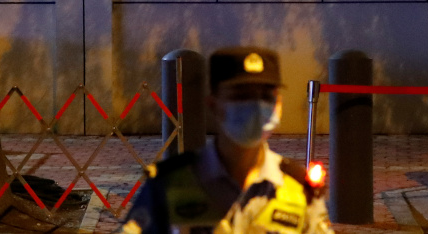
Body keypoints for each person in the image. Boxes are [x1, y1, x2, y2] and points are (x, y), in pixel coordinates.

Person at [119, 46, 331, 234]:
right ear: (213, 105)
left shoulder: (299, 189)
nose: (255, 107)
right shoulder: (169, 185)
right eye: (241, 95)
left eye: (266, 96)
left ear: (279, 105)